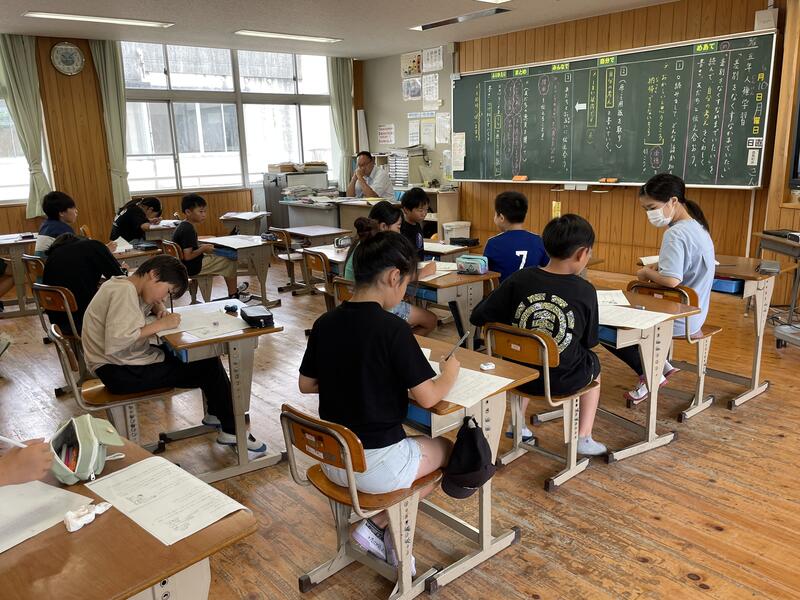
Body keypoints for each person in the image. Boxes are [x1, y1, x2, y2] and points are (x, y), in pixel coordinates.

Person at [299, 231, 459, 566]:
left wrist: (352, 378)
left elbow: (306, 384)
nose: (404, 294)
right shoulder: (392, 329)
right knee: (448, 450)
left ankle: (382, 532)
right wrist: (450, 373)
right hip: (375, 468)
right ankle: (380, 524)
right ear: (393, 276)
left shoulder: (324, 322)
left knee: (411, 448)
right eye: (406, 285)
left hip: (333, 460)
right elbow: (428, 398)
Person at [81, 255, 267, 452]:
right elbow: (117, 339)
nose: (163, 298)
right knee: (207, 365)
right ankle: (233, 429)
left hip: (118, 364)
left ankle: (218, 413)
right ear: (154, 274)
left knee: (201, 358)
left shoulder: (124, 283)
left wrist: (159, 307)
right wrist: (161, 324)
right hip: (120, 373)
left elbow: (139, 306)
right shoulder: (124, 292)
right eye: (167, 292)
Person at [470, 214, 606, 456]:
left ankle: (517, 423)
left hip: (517, 375)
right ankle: (583, 437)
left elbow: (478, 316)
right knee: (594, 364)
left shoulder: (519, 278)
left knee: (527, 352)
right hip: (560, 381)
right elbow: (589, 341)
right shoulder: (585, 290)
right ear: (582, 254)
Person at [603, 173, 715, 404]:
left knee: (602, 324)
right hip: (696, 313)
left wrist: (646, 274)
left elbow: (672, 280)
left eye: (652, 208)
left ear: (673, 201)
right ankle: (660, 365)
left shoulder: (675, 233)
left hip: (677, 318)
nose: (649, 214)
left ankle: (650, 372)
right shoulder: (697, 226)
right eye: (645, 209)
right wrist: (660, 268)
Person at [343, 202, 438, 335]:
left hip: (353, 303)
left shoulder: (362, 245)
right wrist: (423, 272)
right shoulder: (382, 252)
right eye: (398, 227)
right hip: (376, 307)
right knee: (430, 320)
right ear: (383, 226)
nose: (400, 232)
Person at [42, 233, 124, 334]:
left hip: (58, 321)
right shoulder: (94, 246)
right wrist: (124, 270)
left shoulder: (54, 254)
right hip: (84, 319)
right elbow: (119, 277)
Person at [172, 193, 249, 300]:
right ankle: (234, 295)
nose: (204, 215)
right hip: (193, 267)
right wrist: (203, 248)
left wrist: (203, 247)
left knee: (220, 254)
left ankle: (234, 292)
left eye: (205, 211)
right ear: (188, 212)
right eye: (200, 212)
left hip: (186, 265)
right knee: (230, 260)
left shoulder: (183, 225)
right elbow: (188, 256)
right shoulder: (188, 229)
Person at [484, 191, 549, 282]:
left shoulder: (493, 243)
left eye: (495, 214)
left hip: (503, 290)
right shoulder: (538, 241)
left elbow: (484, 273)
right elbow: (548, 269)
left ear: (501, 217)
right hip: (531, 290)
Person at [399, 187, 429, 261]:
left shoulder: (417, 224)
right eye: (420, 210)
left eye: (426, 209)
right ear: (406, 210)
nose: (424, 214)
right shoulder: (402, 229)